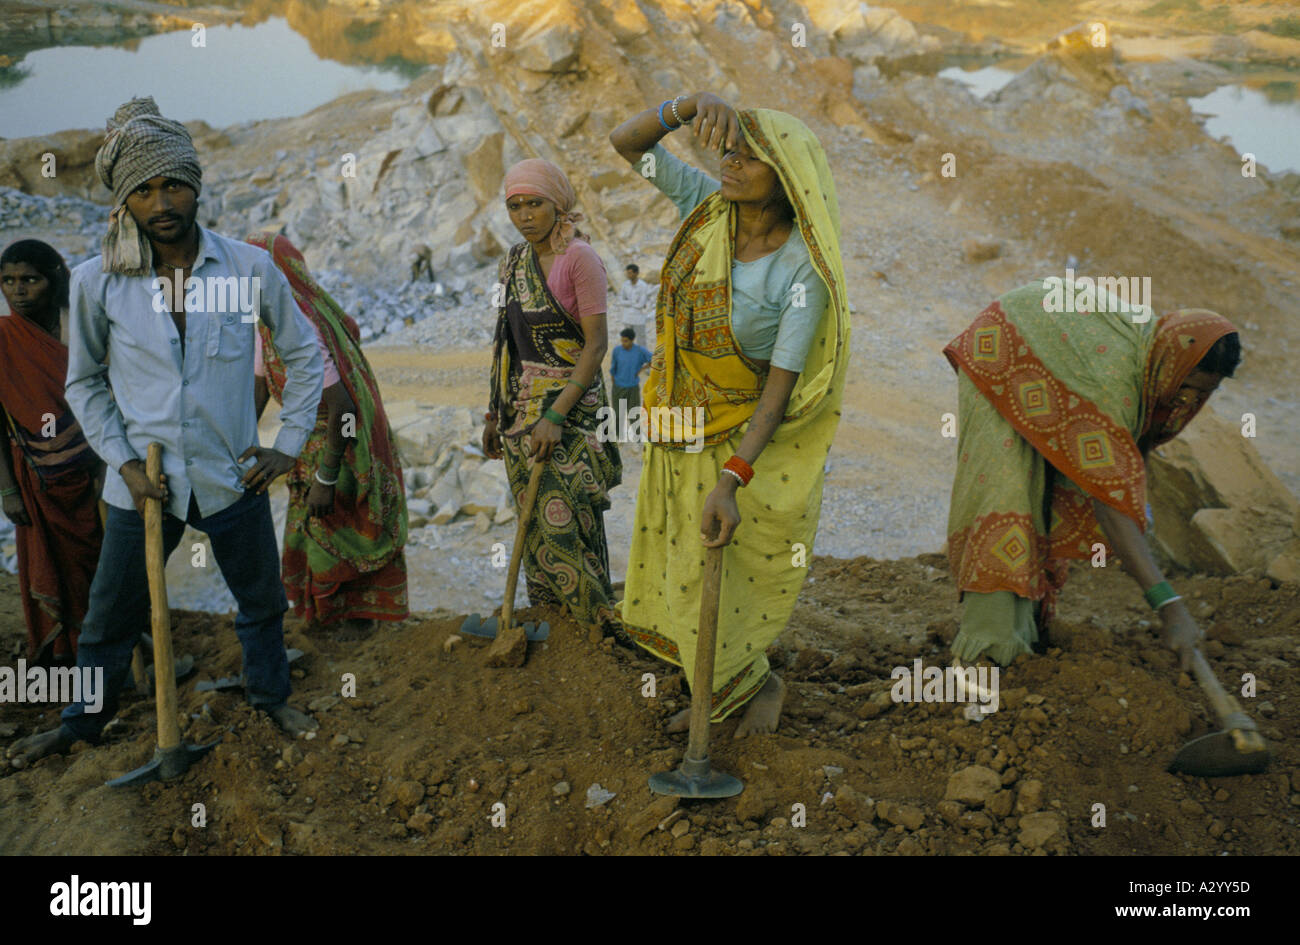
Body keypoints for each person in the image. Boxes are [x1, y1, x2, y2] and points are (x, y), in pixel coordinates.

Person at [7, 97, 324, 767]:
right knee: (107, 618)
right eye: (144, 189)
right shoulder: (99, 282)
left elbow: (304, 353)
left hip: (230, 471)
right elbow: (84, 382)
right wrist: (120, 461)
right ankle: (82, 722)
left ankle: (270, 694)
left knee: (261, 600)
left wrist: (286, 445)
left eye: (173, 183)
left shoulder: (246, 269)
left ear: (195, 184)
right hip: (143, 481)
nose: (162, 201)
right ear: (124, 201)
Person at [609, 92, 849, 736]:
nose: (730, 165)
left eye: (749, 159)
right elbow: (626, 144)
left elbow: (780, 383)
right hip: (677, 429)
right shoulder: (704, 210)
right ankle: (719, 689)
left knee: (721, 574)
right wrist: (685, 106)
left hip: (738, 445)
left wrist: (735, 475)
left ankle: (753, 686)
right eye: (729, 152)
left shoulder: (800, 271)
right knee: (681, 572)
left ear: (788, 179)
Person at [943, 281, 1241, 669]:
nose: (1188, 401)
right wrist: (1169, 607)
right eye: (1185, 386)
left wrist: (1138, 499)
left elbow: (1133, 448)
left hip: (1056, 352)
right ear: (1173, 365)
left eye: (1204, 393)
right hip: (1003, 348)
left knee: (1047, 493)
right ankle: (989, 644)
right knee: (1008, 490)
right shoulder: (1114, 383)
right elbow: (1109, 504)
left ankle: (1026, 633)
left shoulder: (1159, 354)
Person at [481, 158, 623, 635]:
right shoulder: (511, 262)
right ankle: (555, 631)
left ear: (558, 203)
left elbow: (597, 344)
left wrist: (556, 415)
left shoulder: (579, 259)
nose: (524, 216)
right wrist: (493, 413)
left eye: (535, 204)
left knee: (566, 521)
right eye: (515, 206)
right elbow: (505, 340)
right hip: (521, 413)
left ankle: (595, 630)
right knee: (533, 524)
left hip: (572, 410)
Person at [247, 233, 409, 635]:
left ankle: (355, 625)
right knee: (310, 530)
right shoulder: (264, 319)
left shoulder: (300, 322)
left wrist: (326, 476)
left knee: (334, 521)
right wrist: (235, 443)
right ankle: (325, 620)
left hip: (340, 444)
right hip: (304, 442)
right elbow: (260, 384)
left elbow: (343, 407)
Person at [0, 240, 105, 665]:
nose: (18, 290)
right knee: (51, 567)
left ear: (54, 279)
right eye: (8, 281)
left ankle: (115, 652)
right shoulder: (4, 339)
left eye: (30, 279)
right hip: (37, 479)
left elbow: (108, 395)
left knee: (103, 566)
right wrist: (7, 490)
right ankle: (64, 655)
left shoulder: (80, 327)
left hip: (97, 470)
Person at [608, 327, 651, 445]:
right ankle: (619, 437)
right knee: (618, 413)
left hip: (632, 387)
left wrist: (642, 369)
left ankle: (636, 439)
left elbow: (654, 359)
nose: (623, 343)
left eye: (626, 341)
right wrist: (615, 384)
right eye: (622, 340)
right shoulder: (617, 350)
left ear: (632, 340)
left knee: (634, 413)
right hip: (618, 387)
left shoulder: (639, 351)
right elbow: (613, 368)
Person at [617, 263, 657, 343]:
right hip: (627, 317)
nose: (628, 275)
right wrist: (633, 302)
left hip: (639, 317)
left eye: (630, 273)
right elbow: (621, 300)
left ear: (636, 273)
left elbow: (641, 305)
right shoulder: (625, 285)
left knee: (641, 339)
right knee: (627, 339)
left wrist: (628, 302)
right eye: (627, 273)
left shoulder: (643, 286)